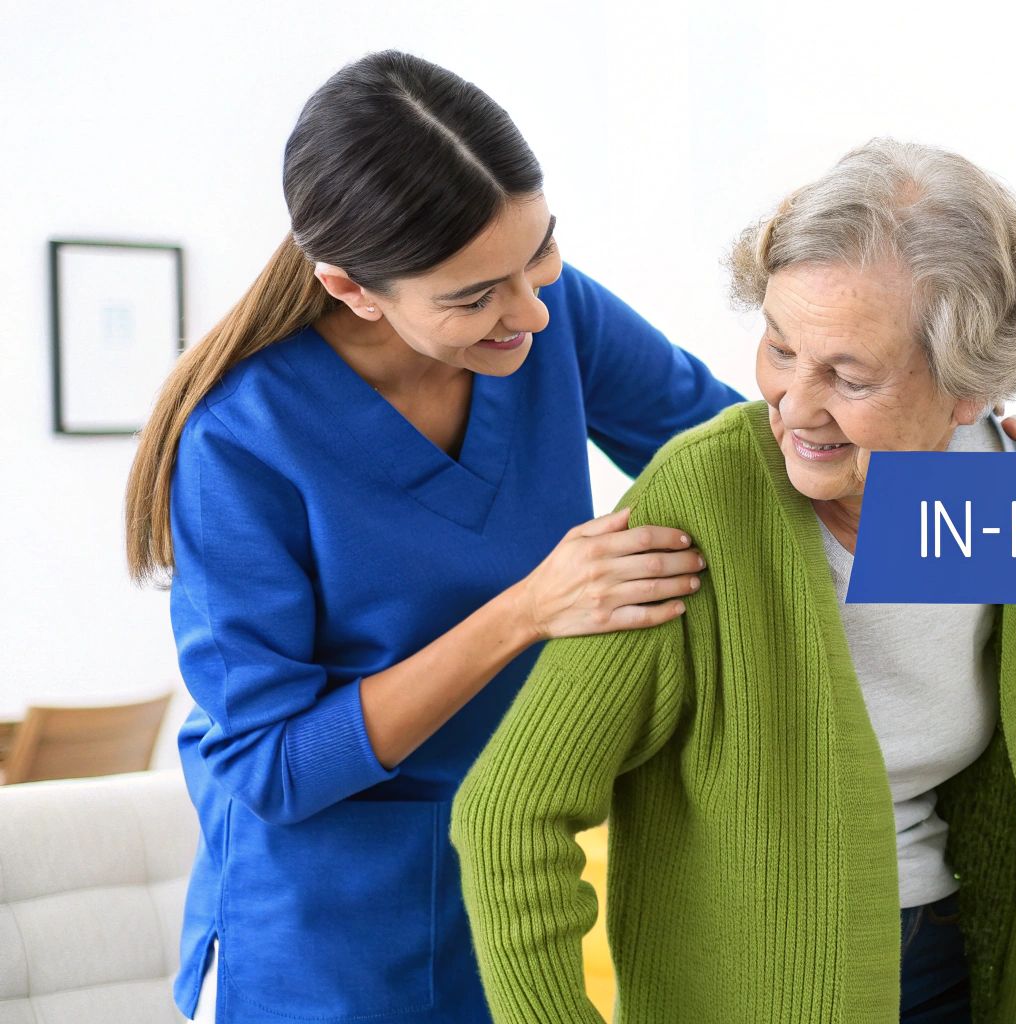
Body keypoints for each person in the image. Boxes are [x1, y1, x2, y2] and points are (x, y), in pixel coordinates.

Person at [128, 50, 743, 1024]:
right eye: (473, 296)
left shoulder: (551, 316)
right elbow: (272, 765)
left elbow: (750, 457)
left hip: (511, 888)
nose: (531, 309)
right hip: (322, 940)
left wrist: (981, 473)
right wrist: (526, 612)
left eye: (540, 253)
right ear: (351, 286)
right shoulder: (241, 440)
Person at [452, 139, 1016, 1024]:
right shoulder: (707, 499)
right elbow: (509, 815)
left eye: (850, 376)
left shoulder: (1001, 484)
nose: (796, 406)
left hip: (956, 967)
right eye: (779, 348)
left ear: (967, 390)